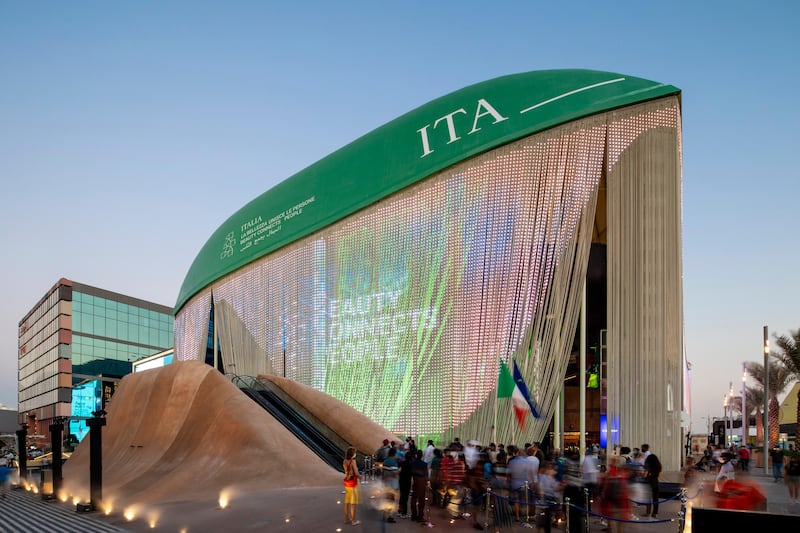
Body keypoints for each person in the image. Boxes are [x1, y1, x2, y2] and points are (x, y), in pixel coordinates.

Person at [342, 447, 361, 526]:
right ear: (352, 454)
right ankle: (353, 521)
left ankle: (346, 519)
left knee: (347, 501)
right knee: (353, 503)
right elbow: (356, 473)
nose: (355, 454)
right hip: (353, 483)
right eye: (354, 453)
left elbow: (346, 471)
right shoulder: (353, 461)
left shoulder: (345, 461)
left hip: (347, 482)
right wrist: (360, 476)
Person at [409, 449, 429, 522]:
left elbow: (410, 472)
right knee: (421, 500)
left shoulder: (412, 463)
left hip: (414, 481)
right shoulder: (424, 464)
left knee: (414, 498)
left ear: (416, 455)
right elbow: (426, 475)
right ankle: (420, 516)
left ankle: (413, 515)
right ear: (422, 455)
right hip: (422, 482)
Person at [642, 444, 661, 518]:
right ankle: (655, 513)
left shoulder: (648, 465)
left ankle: (648, 512)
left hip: (649, 481)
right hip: (655, 481)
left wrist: (644, 476)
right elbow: (659, 474)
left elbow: (645, 473)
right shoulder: (658, 466)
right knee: (655, 497)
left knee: (648, 497)